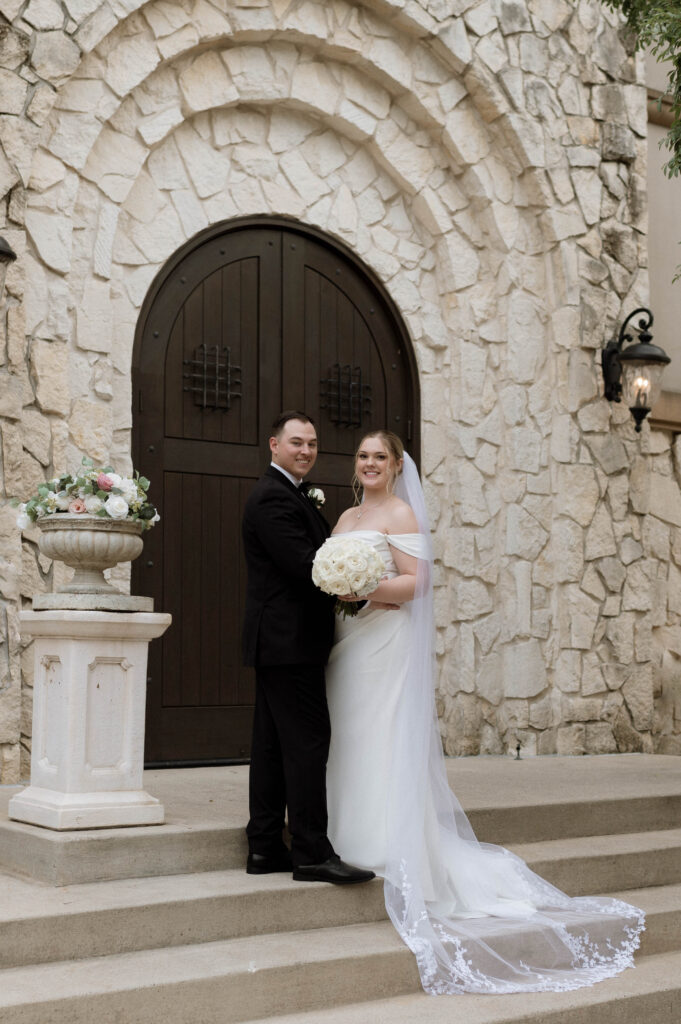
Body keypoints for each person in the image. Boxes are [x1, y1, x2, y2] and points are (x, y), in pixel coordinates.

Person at [324, 429, 645, 994]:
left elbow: (418, 582)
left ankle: (386, 847)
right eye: (363, 456)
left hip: (383, 641)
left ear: (397, 465)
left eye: (380, 457)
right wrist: (339, 591)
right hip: (347, 644)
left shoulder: (399, 513)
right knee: (348, 738)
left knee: (379, 738)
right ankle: (344, 835)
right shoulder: (347, 516)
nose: (370, 463)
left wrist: (365, 589)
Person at [242, 411, 375, 885]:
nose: (305, 450)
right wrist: (355, 586)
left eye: (313, 444)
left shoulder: (288, 495)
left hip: (283, 641)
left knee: (274, 745)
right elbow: (306, 567)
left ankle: (263, 847)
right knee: (307, 742)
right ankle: (312, 851)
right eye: (296, 442)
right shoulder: (273, 499)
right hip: (288, 641)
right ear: (273, 445)